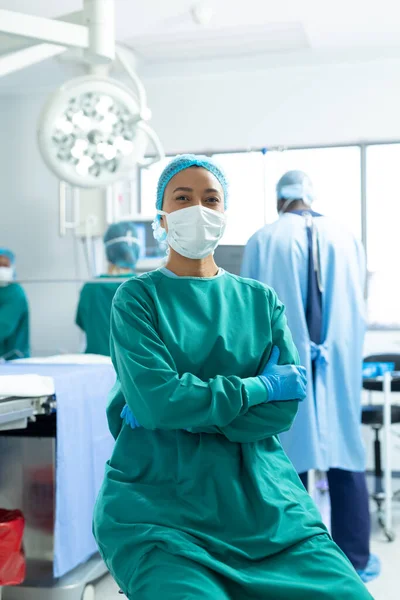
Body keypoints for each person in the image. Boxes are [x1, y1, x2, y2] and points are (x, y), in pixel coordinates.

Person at [93, 155, 373, 600]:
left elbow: (279, 414)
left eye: (211, 199)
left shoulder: (260, 300)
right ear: (162, 217)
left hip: (265, 505)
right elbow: (158, 402)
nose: (198, 209)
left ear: (224, 213)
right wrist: (257, 388)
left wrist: (183, 408)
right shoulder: (137, 298)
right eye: (182, 198)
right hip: (161, 509)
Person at [241, 170, 379, 583]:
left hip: (282, 367)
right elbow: (358, 305)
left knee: (284, 456)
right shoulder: (346, 237)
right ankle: (354, 558)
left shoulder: (264, 239)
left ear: (279, 199)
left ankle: (292, 559)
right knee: (345, 450)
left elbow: (248, 311)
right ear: (310, 196)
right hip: (338, 362)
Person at [76, 221, 141, 356]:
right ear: (137, 250)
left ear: (108, 251)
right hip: (131, 370)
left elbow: (82, 323)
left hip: (97, 368)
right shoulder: (144, 288)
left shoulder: (90, 287)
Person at [0, 248, 29, 360]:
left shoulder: (15, 293)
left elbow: (4, 327)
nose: (1, 268)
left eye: (5, 265)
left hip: (13, 359)